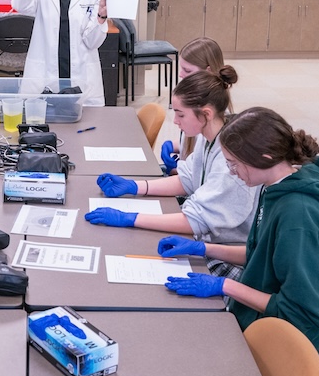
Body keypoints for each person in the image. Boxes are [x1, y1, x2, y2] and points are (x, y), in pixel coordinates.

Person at [157, 107, 319, 376]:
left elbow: (300, 312)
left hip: (302, 341)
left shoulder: (298, 217)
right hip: (268, 305)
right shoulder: (276, 185)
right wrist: (202, 248)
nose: (232, 173)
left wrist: (224, 286)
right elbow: (262, 253)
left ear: (265, 157)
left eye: (234, 164)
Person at [85, 67, 257, 278]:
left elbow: (193, 221)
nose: (175, 122)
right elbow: (187, 180)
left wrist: (131, 218)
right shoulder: (209, 135)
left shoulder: (229, 161)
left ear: (206, 114)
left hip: (228, 254)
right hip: (207, 239)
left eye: (180, 114)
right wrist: (135, 186)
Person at [11, 0, 110, 107]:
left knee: (83, 127)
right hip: (44, 74)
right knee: (43, 122)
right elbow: (21, 5)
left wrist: (101, 17)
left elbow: (92, 41)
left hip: (80, 73)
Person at [161, 36, 227, 173]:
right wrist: (175, 146)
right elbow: (196, 149)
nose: (181, 75)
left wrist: (176, 170)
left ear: (208, 71)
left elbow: (198, 172)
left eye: (188, 71)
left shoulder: (210, 117)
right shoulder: (196, 110)